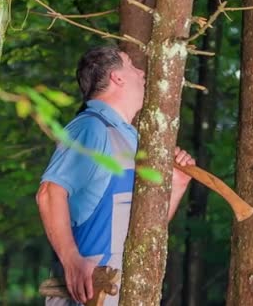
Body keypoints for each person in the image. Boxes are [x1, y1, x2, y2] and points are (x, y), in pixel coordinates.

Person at [36, 46, 195, 306]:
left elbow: (144, 228)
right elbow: (49, 192)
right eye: (132, 65)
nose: (141, 72)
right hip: (90, 296)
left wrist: (177, 185)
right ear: (116, 77)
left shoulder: (132, 139)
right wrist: (72, 260)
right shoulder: (91, 128)